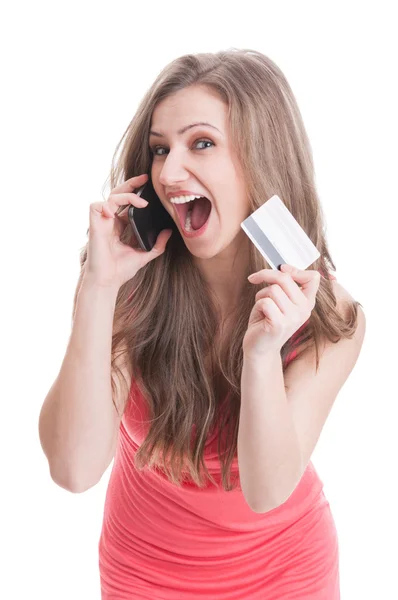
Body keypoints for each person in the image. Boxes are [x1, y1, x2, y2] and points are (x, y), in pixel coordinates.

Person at [38, 49, 366, 599]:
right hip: (143, 570)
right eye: (160, 148)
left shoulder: (331, 318)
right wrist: (97, 290)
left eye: (202, 144)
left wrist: (260, 354)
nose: (168, 172)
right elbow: (73, 469)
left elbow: (267, 490)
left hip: (285, 573)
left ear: (261, 159)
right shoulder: (131, 284)